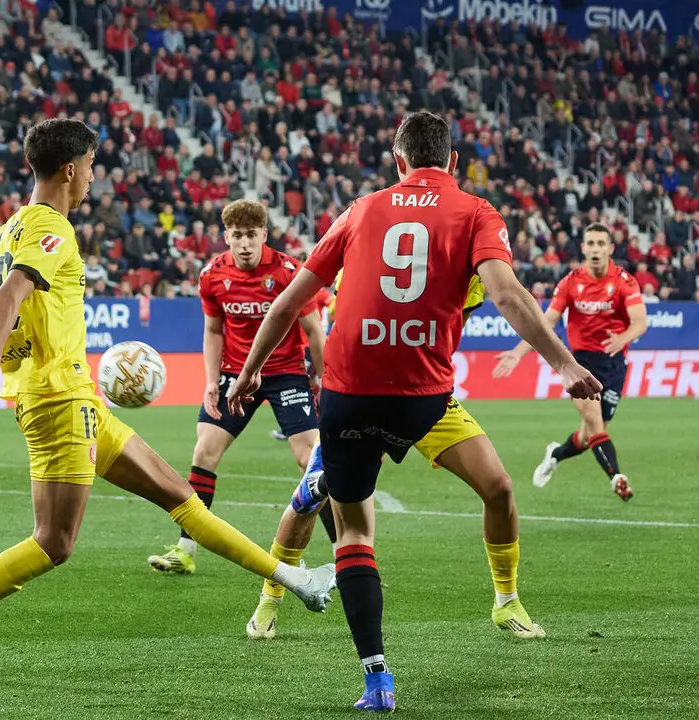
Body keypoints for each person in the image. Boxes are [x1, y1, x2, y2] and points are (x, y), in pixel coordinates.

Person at [0, 118, 334, 680]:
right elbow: (11, 297)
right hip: (57, 404)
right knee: (54, 543)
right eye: (93, 167)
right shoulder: (52, 231)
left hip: (82, 402)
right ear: (71, 169)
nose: (94, 178)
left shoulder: (0, 236)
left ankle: (295, 579)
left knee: (179, 494)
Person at [227, 111, 600, 712]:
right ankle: (272, 597)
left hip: (351, 396)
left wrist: (245, 375)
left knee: (337, 514)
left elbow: (292, 301)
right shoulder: (477, 217)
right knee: (498, 488)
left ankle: (385, 671)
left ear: (398, 162)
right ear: (454, 162)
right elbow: (506, 293)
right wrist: (560, 364)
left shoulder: (359, 210)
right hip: (422, 400)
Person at [246, 274, 546, 644]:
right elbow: (347, 324)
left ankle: (507, 601)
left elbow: (450, 338)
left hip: (425, 398)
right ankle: (270, 599)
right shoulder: (371, 249)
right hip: (365, 395)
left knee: (498, 487)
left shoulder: (469, 271)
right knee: (310, 497)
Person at [145, 198, 333, 587]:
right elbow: (213, 331)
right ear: (226, 236)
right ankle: (185, 550)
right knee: (204, 451)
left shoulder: (288, 272)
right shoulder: (213, 275)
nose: (244, 243)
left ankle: (344, 555)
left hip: (285, 374)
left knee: (310, 459)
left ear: (264, 234)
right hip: (234, 373)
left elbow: (315, 332)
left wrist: (322, 381)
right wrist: (211, 380)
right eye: (237, 236)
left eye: (252, 235)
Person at [492, 223, 647, 501]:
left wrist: (623, 338)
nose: (596, 249)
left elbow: (640, 322)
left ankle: (555, 454)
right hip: (579, 364)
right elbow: (545, 323)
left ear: (610, 248)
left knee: (590, 436)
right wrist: (518, 352)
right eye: (591, 243)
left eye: (601, 243)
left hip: (613, 365)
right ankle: (617, 478)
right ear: (584, 248)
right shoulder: (571, 283)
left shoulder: (625, 281)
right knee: (593, 421)